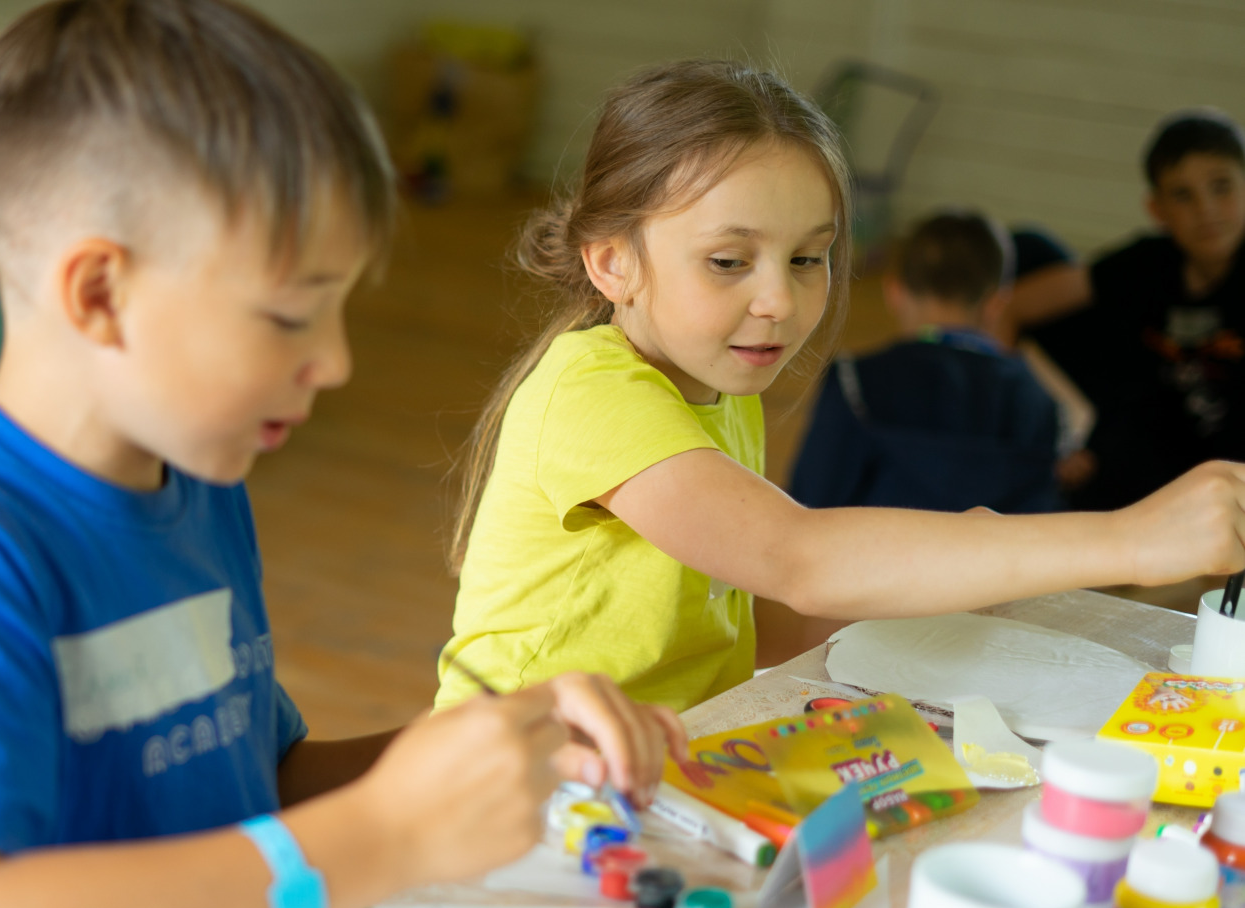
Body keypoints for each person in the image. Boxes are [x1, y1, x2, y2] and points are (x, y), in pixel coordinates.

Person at [0, 3, 686, 908]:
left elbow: (253, 782)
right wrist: (387, 837)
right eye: (293, 316)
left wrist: (498, 743)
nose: (337, 361)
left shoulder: (197, 484)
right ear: (102, 292)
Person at [434, 60, 1245, 716]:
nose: (779, 301)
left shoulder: (722, 386)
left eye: (806, 258)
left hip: (670, 758)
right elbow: (795, 558)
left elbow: (761, 620)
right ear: (612, 262)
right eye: (728, 260)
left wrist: (961, 569)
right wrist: (1134, 538)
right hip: (521, 788)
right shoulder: (594, 393)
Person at [789, 209, 1063, 514]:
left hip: (874, 559)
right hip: (990, 560)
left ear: (894, 292)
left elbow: (810, 503)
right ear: (997, 303)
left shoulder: (856, 382)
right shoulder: (1037, 399)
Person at [1050, 109, 1245, 510]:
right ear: (1157, 209)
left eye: (1221, 187)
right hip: (1158, 453)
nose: (1206, 209)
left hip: (1233, 472)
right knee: (1031, 248)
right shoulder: (1147, 264)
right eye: (1182, 194)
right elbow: (1013, 304)